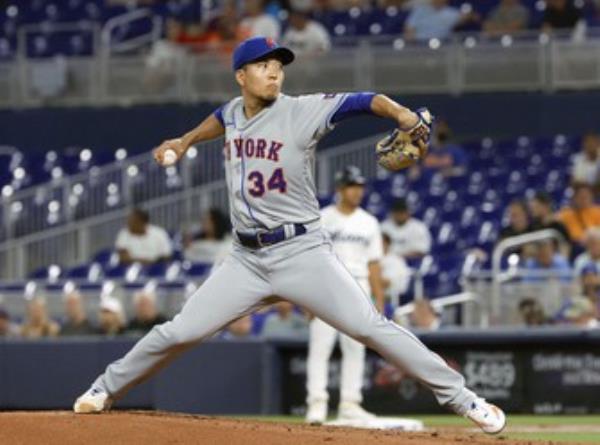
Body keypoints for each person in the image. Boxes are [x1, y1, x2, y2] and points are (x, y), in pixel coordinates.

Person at [73, 36, 505, 435]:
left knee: (370, 327)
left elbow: (362, 101)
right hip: (245, 260)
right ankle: (104, 389)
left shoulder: (301, 111)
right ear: (241, 76)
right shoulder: (233, 112)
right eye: (263, 66)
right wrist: (186, 141)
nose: (275, 72)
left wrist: (401, 114)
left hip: (302, 252)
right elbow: (221, 118)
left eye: (279, 66)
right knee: (178, 332)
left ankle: (464, 398)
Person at [305, 166, 385, 424]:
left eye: (360, 186)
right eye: (352, 186)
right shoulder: (322, 218)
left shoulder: (369, 222)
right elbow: (311, 258)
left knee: (355, 347)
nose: (357, 191)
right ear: (340, 188)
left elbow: (374, 264)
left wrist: (379, 301)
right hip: (327, 285)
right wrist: (307, 295)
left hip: (359, 285)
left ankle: (350, 404)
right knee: (321, 347)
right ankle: (316, 404)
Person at [404, 0, 479, 42]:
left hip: (442, 45)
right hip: (419, 45)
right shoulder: (420, 10)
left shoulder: (451, 13)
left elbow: (470, 16)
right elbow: (409, 28)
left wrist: (472, 15)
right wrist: (412, 42)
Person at [380, 232, 411, 307]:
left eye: (380, 242)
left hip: (392, 299)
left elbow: (387, 282)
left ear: (387, 244)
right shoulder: (368, 259)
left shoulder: (396, 260)